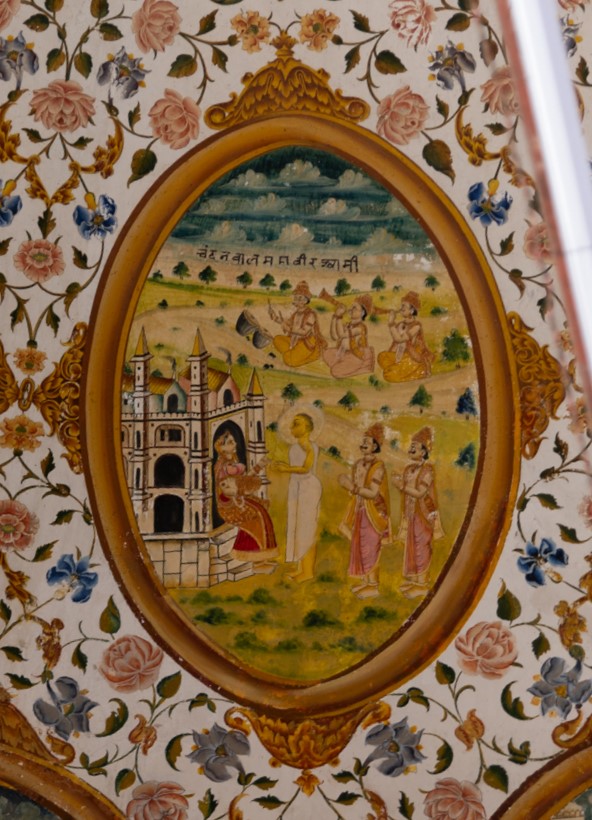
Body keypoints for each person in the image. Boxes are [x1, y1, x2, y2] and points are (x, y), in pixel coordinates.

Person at [338, 423, 391, 598]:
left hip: (374, 511)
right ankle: (365, 582)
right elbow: (356, 489)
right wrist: (349, 486)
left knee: (371, 546)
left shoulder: (378, 466)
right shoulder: (358, 464)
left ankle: (373, 585)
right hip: (360, 509)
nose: (363, 445)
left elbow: (373, 493)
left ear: (375, 446)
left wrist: (352, 487)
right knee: (361, 545)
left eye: (367, 442)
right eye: (363, 441)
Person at [213, 431, 277, 570]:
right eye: (230, 442)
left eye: (233, 441)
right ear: (221, 448)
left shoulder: (231, 464)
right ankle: (256, 559)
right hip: (230, 504)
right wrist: (240, 491)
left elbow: (243, 481)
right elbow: (227, 488)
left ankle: (261, 560)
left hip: (237, 499)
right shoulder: (224, 466)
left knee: (261, 512)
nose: (235, 444)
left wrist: (259, 466)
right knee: (257, 516)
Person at [392, 427, 443, 599]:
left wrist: (401, 486)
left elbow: (420, 492)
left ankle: (422, 584)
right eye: (411, 446)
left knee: (422, 546)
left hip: (423, 513)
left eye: (415, 446)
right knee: (412, 545)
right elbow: (407, 491)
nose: (411, 448)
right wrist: (400, 483)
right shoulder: (409, 469)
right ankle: (414, 579)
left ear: (424, 451)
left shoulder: (428, 470)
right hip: (411, 513)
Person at [270, 413, 321, 582]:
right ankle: (301, 568)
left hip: (308, 487)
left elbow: (306, 468)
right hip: (296, 486)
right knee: (297, 527)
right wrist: (283, 467)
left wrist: (286, 469)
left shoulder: (310, 446)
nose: (292, 427)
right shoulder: (294, 447)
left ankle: (308, 571)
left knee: (307, 528)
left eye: (296, 424)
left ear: (307, 428)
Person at [377, 291, 434, 383]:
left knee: (388, 375)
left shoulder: (416, 326)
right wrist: (391, 355)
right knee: (381, 356)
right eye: (401, 306)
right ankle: (397, 367)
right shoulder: (400, 324)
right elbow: (395, 344)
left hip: (412, 357)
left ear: (412, 310)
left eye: (404, 306)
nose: (401, 308)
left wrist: (391, 323)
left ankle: (417, 370)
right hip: (401, 356)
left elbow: (399, 339)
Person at [268, 280, 327, 367]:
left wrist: (289, 329)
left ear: (305, 300)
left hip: (306, 343)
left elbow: (304, 332)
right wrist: (275, 318)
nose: (296, 299)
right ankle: (293, 352)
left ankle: (303, 356)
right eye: (296, 297)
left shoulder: (310, 314)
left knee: (288, 359)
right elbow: (287, 323)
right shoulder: (296, 313)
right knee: (277, 339)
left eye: (299, 298)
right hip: (294, 340)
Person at [322, 295, 375, 378]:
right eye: (351, 307)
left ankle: (361, 369)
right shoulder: (348, 325)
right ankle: (342, 364)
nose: (350, 309)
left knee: (335, 372)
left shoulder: (360, 328)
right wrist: (335, 317)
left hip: (356, 357)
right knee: (326, 353)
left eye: (354, 308)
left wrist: (339, 317)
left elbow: (341, 335)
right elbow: (335, 337)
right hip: (344, 353)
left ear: (362, 313)